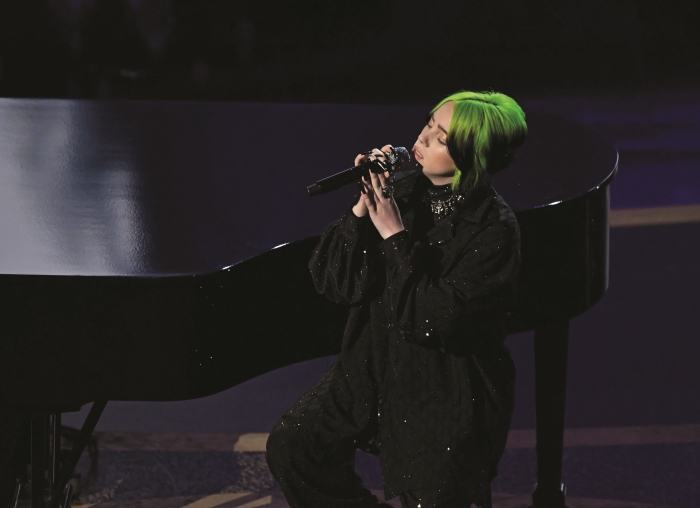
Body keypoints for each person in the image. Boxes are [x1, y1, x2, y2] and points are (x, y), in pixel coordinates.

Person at [266, 90, 527, 508]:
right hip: (374, 364)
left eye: (440, 138)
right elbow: (335, 282)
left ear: (471, 158)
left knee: (433, 493)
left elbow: (435, 319)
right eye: (428, 124)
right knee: (294, 446)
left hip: (445, 389)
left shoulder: (494, 229)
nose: (422, 139)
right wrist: (362, 205)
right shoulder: (401, 192)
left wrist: (394, 235)